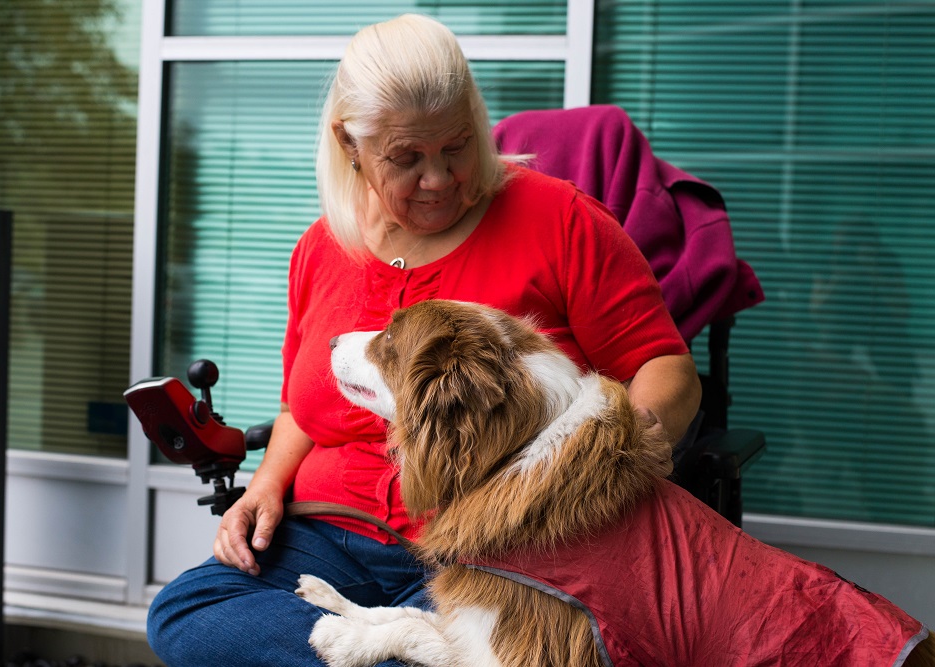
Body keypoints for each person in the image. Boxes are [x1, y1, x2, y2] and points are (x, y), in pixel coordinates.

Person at [147, 13, 700, 667]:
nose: (438, 178)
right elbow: (303, 407)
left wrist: (623, 444)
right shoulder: (321, 249)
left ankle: (406, 646)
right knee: (183, 611)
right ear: (350, 146)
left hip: (489, 546)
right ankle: (412, 654)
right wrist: (267, 485)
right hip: (325, 533)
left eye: (457, 147)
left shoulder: (560, 220)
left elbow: (664, 366)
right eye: (406, 159)